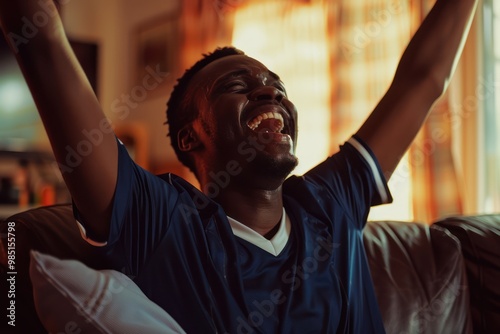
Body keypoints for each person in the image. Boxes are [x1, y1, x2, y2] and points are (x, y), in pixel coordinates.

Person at [0, 0, 478, 332]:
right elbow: (40, 42)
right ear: (191, 136)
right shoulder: (162, 220)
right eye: (236, 85)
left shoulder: (329, 200)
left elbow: (424, 79)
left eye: (277, 85)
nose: (270, 92)